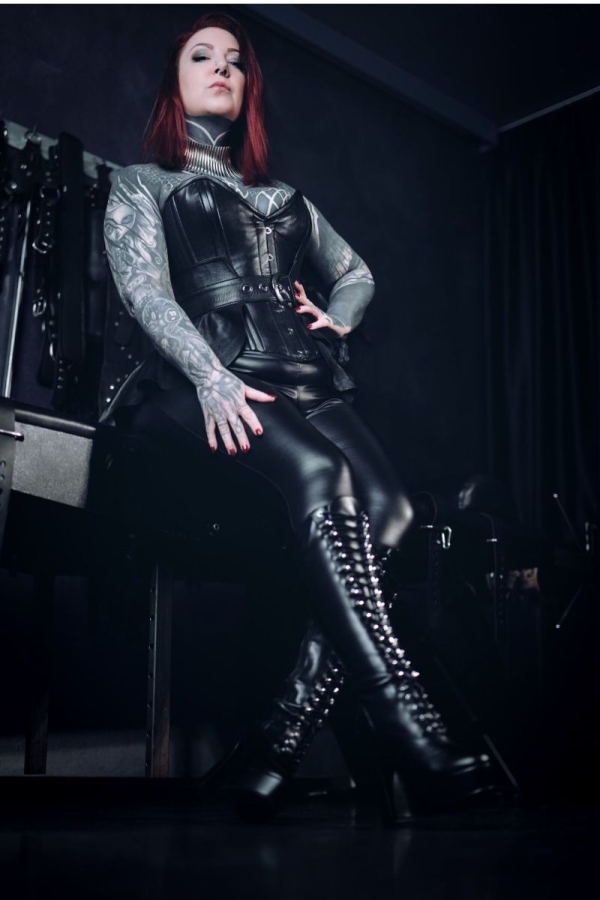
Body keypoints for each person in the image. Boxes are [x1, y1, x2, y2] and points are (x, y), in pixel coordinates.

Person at [101, 12, 498, 823]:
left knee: (394, 513)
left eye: (236, 61)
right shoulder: (143, 182)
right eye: (202, 56)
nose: (222, 68)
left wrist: (337, 318)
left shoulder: (287, 198)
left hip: (310, 377)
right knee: (321, 473)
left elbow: (357, 274)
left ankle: (276, 743)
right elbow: (144, 291)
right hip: (213, 375)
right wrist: (210, 376)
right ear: (174, 82)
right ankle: (409, 722)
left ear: (249, 87)